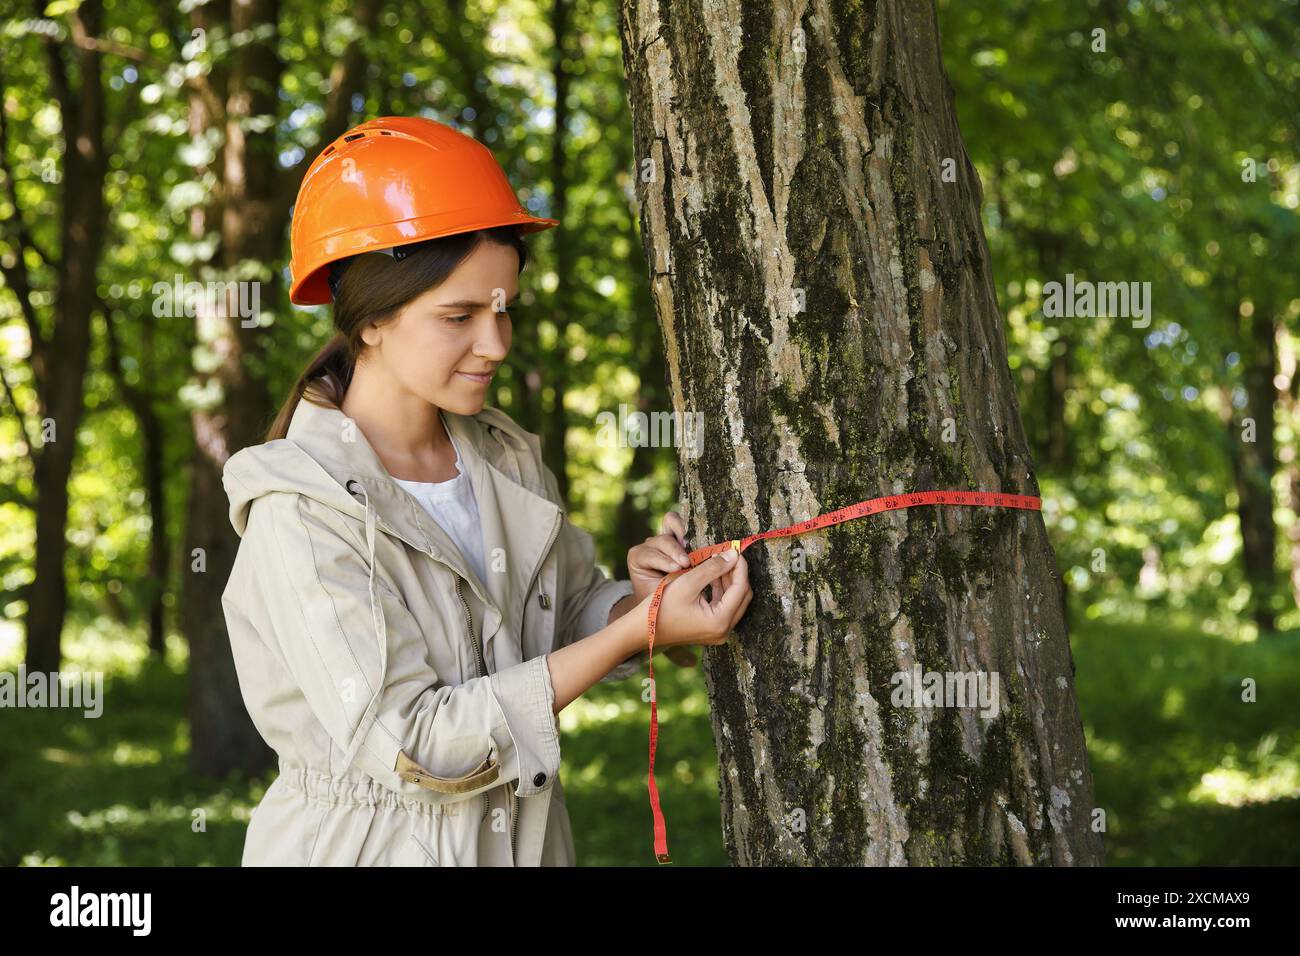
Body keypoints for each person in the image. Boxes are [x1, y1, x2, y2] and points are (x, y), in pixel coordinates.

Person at [219, 115, 752, 866]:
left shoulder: (504, 456)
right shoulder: (302, 509)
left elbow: (566, 618)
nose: (495, 345)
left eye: (503, 310)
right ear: (370, 319)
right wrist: (630, 636)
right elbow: (417, 744)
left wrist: (643, 605)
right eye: (459, 316)